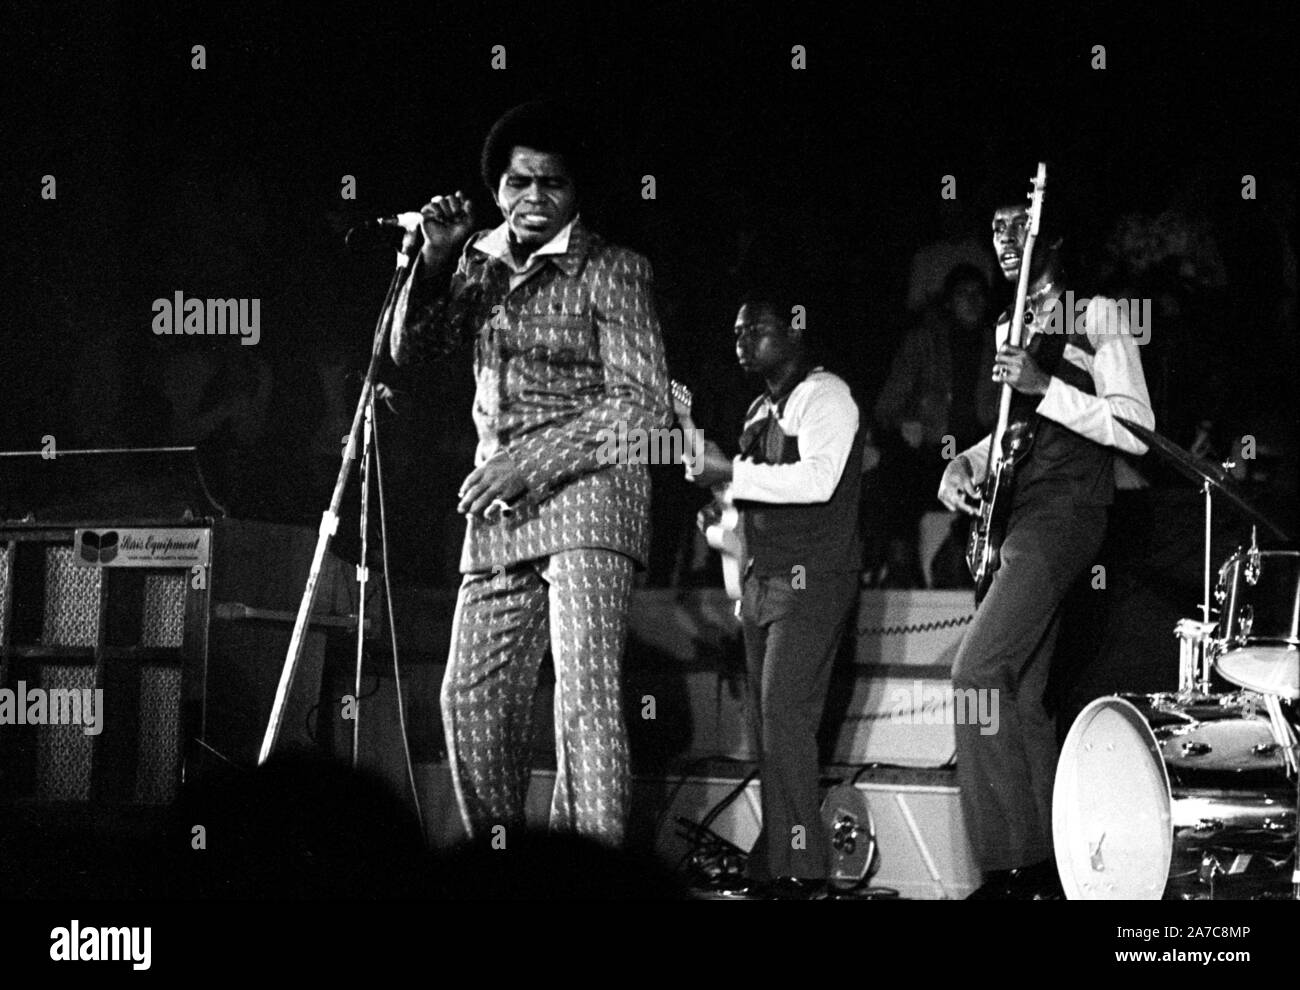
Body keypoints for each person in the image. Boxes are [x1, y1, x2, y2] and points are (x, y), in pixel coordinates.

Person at [388, 100, 671, 846]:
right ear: (496, 187)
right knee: (469, 698)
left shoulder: (614, 270)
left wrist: (531, 462)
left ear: (577, 193)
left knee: (582, 697)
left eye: (553, 185)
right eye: (519, 183)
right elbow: (410, 355)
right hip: (499, 503)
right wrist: (437, 259)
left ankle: (595, 871)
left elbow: (643, 410)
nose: (534, 200)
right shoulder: (475, 264)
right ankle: (503, 861)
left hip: (590, 492)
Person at [936, 183, 1154, 899]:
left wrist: (1044, 384)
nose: (1001, 238)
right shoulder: (1009, 323)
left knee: (973, 673)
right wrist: (965, 462)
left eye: (1016, 223)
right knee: (1021, 700)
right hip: (1018, 511)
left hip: (1067, 510)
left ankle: (1010, 868)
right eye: (993, 225)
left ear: (1049, 236)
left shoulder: (1100, 315)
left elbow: (1134, 429)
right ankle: (1048, 875)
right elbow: (1009, 428)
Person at [689, 293, 863, 898]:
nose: (742, 341)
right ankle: (778, 860)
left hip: (812, 578)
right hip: (765, 581)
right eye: (736, 333)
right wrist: (719, 516)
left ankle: (801, 869)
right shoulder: (759, 410)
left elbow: (818, 481)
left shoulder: (826, 396)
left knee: (784, 717)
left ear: (794, 331)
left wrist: (727, 473)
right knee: (770, 727)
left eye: (756, 330)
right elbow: (754, 500)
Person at [871, 264, 998, 586]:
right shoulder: (923, 343)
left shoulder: (999, 344)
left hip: (978, 452)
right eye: (962, 294)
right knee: (893, 466)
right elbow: (886, 405)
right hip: (933, 447)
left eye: (977, 294)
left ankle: (960, 553)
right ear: (947, 302)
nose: (971, 301)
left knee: (1007, 477)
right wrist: (905, 421)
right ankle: (900, 563)